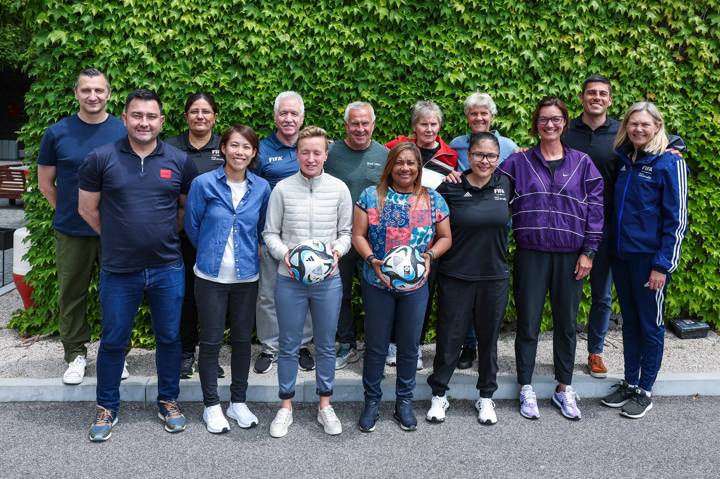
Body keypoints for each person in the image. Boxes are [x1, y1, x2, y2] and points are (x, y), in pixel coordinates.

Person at [79, 89, 198, 442]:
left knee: (169, 338)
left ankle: (168, 400)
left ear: (161, 121)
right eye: (136, 115)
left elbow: (183, 210)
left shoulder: (179, 161)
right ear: (125, 117)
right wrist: (117, 237)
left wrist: (158, 235)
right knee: (114, 340)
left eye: (150, 116)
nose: (143, 122)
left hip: (167, 267)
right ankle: (106, 406)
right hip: (120, 269)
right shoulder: (100, 158)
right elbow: (87, 209)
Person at [498, 96, 603, 421]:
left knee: (566, 325)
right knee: (528, 323)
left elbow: (596, 210)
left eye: (556, 119)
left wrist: (589, 252)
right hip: (531, 253)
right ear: (536, 123)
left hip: (571, 255)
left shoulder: (583, 163)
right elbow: (488, 184)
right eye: (544, 119)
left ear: (565, 122)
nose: (550, 124)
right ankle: (526, 386)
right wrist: (456, 179)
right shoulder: (518, 162)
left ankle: (563, 387)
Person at [37, 68, 128, 385]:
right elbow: (46, 184)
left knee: (117, 293)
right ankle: (75, 353)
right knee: (72, 294)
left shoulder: (122, 130)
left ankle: (116, 354)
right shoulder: (57, 133)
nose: (93, 96)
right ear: (76, 93)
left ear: (109, 94)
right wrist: (69, 210)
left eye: (99, 91)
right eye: (86, 90)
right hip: (72, 230)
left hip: (114, 230)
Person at [353, 142, 451, 433]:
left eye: (411, 163)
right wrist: (372, 261)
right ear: (390, 166)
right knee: (376, 346)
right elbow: (358, 235)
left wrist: (430, 256)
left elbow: (445, 237)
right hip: (377, 283)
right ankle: (371, 402)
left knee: (409, 346)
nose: (405, 168)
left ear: (419, 167)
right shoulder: (371, 197)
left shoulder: (433, 200)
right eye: (399, 162)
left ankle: (403, 403)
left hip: (415, 285)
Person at [263, 126, 352, 438]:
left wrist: (337, 254)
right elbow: (270, 233)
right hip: (290, 279)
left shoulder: (340, 189)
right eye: (305, 152)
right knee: (288, 344)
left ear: (326, 154)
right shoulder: (283, 189)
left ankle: (324, 405)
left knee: (326, 344)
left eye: (317, 152)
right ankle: (285, 407)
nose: (311, 158)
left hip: (328, 280)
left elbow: (346, 233)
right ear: (297, 154)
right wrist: (286, 255)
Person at [601, 102, 688, 419]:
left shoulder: (669, 163)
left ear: (657, 126)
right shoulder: (626, 159)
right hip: (623, 257)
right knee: (630, 324)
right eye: (633, 124)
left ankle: (646, 390)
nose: (638, 129)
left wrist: (662, 265)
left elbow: (676, 221)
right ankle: (630, 382)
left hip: (650, 262)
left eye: (645, 125)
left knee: (650, 326)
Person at [185, 124, 271, 433]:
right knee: (209, 342)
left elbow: (261, 228)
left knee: (241, 342)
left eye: (246, 147)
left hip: (246, 276)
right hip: (210, 276)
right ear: (223, 148)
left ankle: (238, 403)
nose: (240, 152)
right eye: (234, 145)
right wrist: (211, 251)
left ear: (253, 153)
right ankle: (211, 406)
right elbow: (193, 226)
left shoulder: (261, 187)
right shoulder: (203, 184)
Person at [426, 132, 511, 425]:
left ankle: (486, 397)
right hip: (456, 274)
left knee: (488, 340)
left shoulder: (506, 183)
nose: (484, 161)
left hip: (494, 276)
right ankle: (439, 395)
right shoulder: (450, 187)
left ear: (498, 159)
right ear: (469, 156)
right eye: (478, 155)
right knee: (449, 337)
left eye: (490, 156)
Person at [448, 92, 519, 370]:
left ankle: (482, 346)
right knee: (463, 288)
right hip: (464, 227)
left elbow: (516, 182)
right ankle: (467, 345)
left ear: (492, 116)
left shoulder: (509, 145)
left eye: (484, 113)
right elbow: (449, 175)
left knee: (489, 290)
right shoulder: (456, 145)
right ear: (467, 117)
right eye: (473, 113)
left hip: (494, 227)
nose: (479, 118)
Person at [385, 100, 457, 368]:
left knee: (422, 293)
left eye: (433, 123)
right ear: (414, 125)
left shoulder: (449, 157)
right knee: (392, 288)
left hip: (427, 239)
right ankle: (392, 344)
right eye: (423, 123)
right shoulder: (395, 148)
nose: (428, 128)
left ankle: (412, 346)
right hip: (395, 233)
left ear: (439, 126)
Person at [562, 75, 620, 379]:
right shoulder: (566, 130)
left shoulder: (622, 131)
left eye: (602, 94)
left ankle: (595, 351)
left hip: (607, 226)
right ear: (582, 97)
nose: (596, 97)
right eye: (591, 93)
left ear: (609, 99)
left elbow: (653, 142)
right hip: (570, 225)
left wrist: (675, 144)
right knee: (568, 291)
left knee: (602, 294)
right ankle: (565, 350)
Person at [253, 91, 315, 374]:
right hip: (271, 235)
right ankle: (270, 346)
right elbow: (252, 194)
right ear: (275, 116)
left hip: (306, 235)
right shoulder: (262, 149)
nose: (289, 118)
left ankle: (301, 344)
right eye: (283, 113)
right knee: (268, 294)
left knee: (306, 291)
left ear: (302, 117)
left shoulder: (312, 147)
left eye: (294, 113)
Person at [324, 101, 388, 370]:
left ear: (373, 124)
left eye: (365, 123)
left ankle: (377, 345)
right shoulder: (330, 152)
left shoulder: (385, 154)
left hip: (375, 237)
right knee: (340, 293)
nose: (360, 128)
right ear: (346, 125)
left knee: (377, 291)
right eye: (354, 123)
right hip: (339, 236)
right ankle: (346, 343)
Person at [166, 93, 225, 379]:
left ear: (215, 116)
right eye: (194, 111)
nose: (200, 116)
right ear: (186, 115)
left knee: (214, 299)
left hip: (217, 238)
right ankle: (186, 352)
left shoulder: (225, 148)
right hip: (181, 237)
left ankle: (211, 356)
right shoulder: (170, 148)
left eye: (206, 111)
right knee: (186, 296)